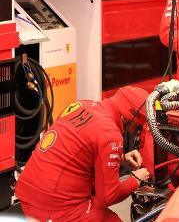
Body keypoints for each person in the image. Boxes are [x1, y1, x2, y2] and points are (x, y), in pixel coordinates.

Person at [15, 86, 151, 222]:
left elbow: (73, 146)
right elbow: (109, 196)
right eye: (138, 125)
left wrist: (120, 158)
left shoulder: (80, 104)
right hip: (52, 205)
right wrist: (136, 180)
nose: (136, 131)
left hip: (28, 189)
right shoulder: (110, 134)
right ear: (127, 118)